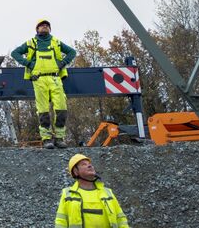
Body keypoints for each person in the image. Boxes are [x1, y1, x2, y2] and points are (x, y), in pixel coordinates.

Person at [10, 19, 76, 149]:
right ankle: (46, 139)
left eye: (47, 25)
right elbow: (14, 53)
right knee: (43, 110)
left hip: (55, 79)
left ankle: (59, 138)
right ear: (37, 29)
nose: (44, 27)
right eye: (41, 25)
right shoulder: (31, 43)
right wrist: (30, 64)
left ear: (50, 29)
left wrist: (62, 63)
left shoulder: (55, 42)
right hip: (39, 80)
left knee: (61, 108)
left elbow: (72, 52)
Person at [56, 154, 130, 228]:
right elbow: (61, 222)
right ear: (75, 172)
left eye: (90, 164)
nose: (90, 166)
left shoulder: (107, 193)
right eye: (83, 164)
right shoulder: (68, 194)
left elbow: (121, 219)